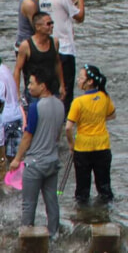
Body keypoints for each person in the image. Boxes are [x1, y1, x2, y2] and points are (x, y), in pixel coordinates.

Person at [9, 70, 63, 237]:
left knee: (29, 204)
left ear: (43, 86)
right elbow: (57, 134)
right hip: (53, 161)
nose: (29, 87)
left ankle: (27, 238)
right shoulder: (60, 105)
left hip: (35, 164)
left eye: (32, 83)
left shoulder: (35, 107)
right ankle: (54, 236)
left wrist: (17, 159)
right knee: (52, 203)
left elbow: (27, 136)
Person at [39, 0, 86, 115]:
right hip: (65, 50)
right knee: (66, 91)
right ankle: (65, 120)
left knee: (51, 89)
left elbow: (61, 8)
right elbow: (79, 17)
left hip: (48, 49)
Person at [65, 65, 115, 204]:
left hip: (83, 148)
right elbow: (112, 115)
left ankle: (82, 218)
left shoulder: (78, 102)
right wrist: (97, 118)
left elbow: (68, 127)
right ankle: (105, 216)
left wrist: (71, 145)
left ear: (90, 82)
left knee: (82, 190)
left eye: (81, 78)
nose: (78, 80)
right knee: (105, 187)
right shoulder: (104, 97)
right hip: (103, 147)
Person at [14, 13, 65, 105]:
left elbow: (57, 63)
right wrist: (16, 93)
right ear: (38, 27)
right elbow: (17, 69)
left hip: (53, 89)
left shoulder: (55, 42)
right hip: (35, 92)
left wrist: (62, 85)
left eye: (52, 23)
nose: (52, 26)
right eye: (48, 24)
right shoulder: (26, 46)